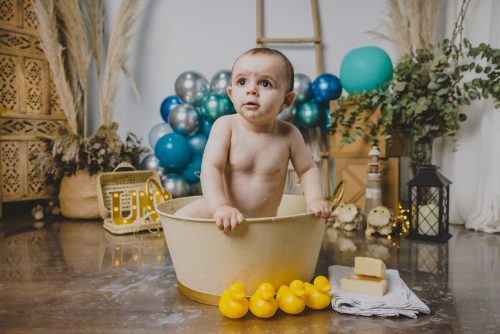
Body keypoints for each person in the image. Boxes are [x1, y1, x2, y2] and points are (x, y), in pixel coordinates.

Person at [175, 47, 331, 233]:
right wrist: (219, 207)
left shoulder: (289, 134)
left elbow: (307, 169)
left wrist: (315, 199)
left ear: (287, 100)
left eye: (265, 83)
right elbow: (211, 168)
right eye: (242, 82)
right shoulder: (226, 126)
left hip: (262, 225)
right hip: (221, 215)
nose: (251, 90)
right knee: (179, 220)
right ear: (232, 94)